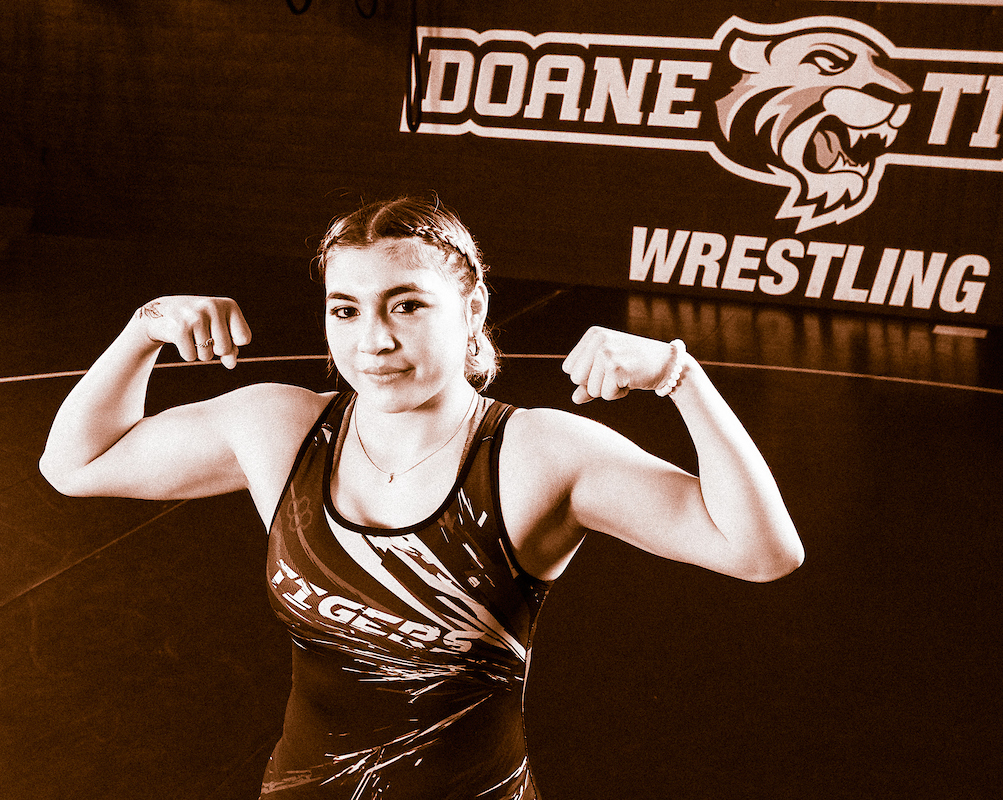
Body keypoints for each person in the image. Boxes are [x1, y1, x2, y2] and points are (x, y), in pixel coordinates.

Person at [40, 195, 803, 799]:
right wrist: (143, 329)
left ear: (472, 310)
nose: (372, 340)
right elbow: (76, 464)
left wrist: (681, 378)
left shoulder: (535, 452)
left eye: (407, 304)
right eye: (347, 308)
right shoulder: (278, 428)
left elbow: (761, 552)